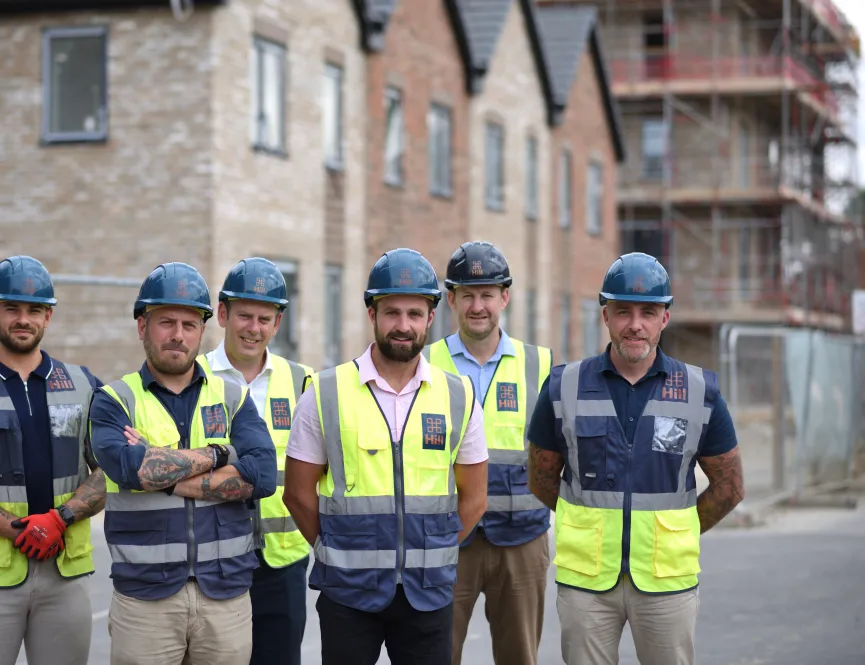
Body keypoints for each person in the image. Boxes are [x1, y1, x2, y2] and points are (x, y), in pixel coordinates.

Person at [526, 252, 745, 665]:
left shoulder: (699, 391)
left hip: (667, 582)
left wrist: (673, 531)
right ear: (605, 316)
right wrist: (587, 523)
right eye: (623, 311)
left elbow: (730, 488)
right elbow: (540, 478)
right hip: (586, 583)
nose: (635, 324)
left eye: (648, 312)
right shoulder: (562, 386)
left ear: (665, 318)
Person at [283, 248, 489, 665]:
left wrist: (433, 550)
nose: (403, 325)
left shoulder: (459, 395)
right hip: (347, 594)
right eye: (392, 312)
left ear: (430, 318)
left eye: (414, 314)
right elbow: (297, 494)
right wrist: (336, 550)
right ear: (372, 314)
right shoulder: (325, 392)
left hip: (427, 594)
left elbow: (475, 499)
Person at [88, 261, 277, 665]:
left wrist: (161, 471)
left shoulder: (233, 397)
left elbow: (262, 475)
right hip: (145, 601)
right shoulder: (114, 399)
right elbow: (127, 467)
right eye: (166, 322)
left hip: (225, 596)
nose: (178, 335)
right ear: (143, 326)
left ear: (202, 330)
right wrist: (220, 453)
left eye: (189, 325)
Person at [422, 241, 552, 665]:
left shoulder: (540, 365)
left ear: (505, 297)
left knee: (520, 657)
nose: (478, 306)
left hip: (522, 541)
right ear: (451, 299)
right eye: (468, 295)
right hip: (446, 539)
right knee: (436, 655)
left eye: (487, 295)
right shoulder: (424, 363)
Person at [198, 257, 313, 665]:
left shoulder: (303, 382)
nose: (254, 328)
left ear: (278, 323)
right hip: (211, 559)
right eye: (244, 316)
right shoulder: (193, 377)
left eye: (265, 319)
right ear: (223, 314)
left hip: (283, 562)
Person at [0, 255, 105, 665]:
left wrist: (59, 519)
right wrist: (16, 529)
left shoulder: (82, 385)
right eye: (11, 308)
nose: (22, 319)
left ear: (48, 316)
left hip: (64, 574)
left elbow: (109, 469)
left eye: (34, 310)